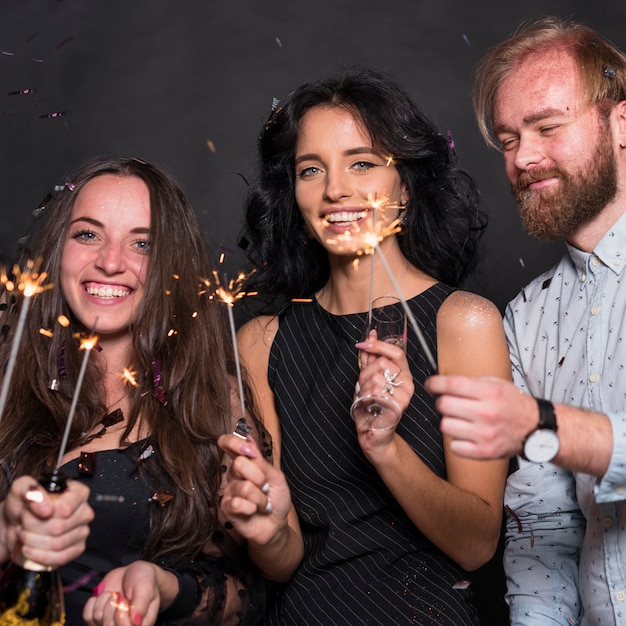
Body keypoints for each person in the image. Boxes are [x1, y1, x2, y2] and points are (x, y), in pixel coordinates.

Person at [231, 67, 512, 625]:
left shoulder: (465, 324)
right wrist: (265, 530)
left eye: (362, 163)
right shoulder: (262, 341)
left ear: (405, 184)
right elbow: (283, 563)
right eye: (312, 170)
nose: (336, 189)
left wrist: (385, 448)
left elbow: (477, 543)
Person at [0, 156, 297, 625]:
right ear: (58, 244)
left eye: (142, 243)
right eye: (88, 234)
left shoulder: (214, 401)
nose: (110, 262)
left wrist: (165, 587)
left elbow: (252, 592)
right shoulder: (6, 358)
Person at [425, 16, 626, 626]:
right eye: (509, 140)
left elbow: (544, 431)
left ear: (621, 124)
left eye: (546, 127)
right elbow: (544, 527)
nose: (525, 159)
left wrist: (542, 422)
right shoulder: (527, 318)